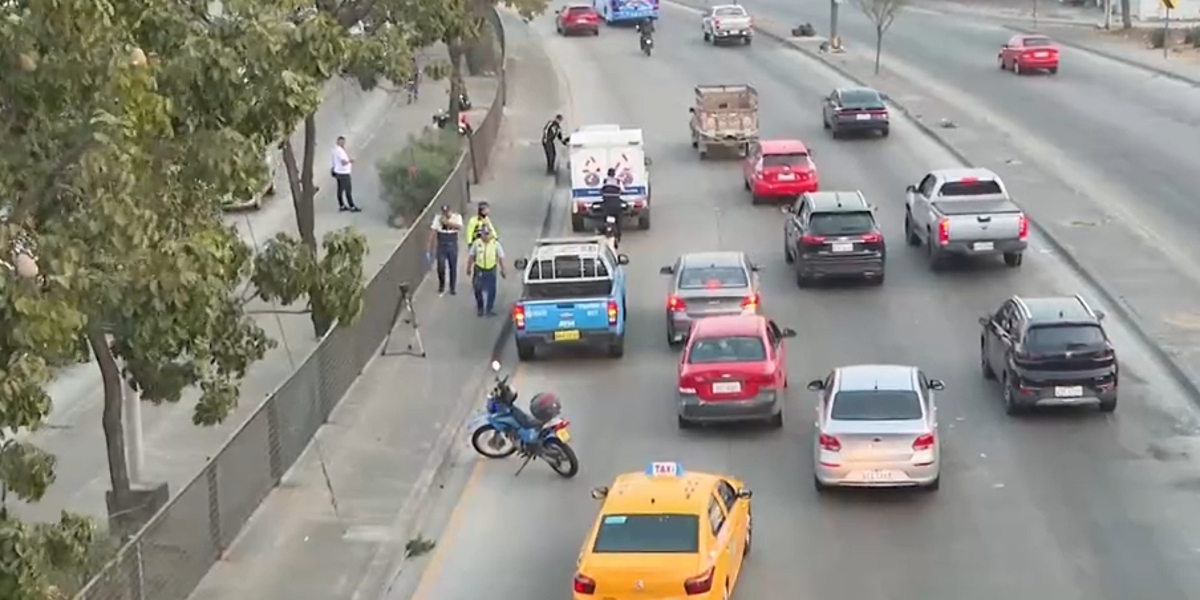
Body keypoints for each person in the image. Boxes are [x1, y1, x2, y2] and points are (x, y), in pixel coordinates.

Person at [466, 226, 507, 317]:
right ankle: (480, 308)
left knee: (491, 290)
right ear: (482, 235)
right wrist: (468, 268)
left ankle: (489, 309)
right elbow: (471, 256)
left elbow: (501, 257)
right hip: (479, 269)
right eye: (485, 234)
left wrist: (503, 269)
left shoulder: (495, 244)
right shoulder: (477, 243)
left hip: (491, 269)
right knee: (477, 288)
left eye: (488, 234)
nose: (486, 236)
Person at [427, 204, 463, 296]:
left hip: (452, 243)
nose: (445, 214)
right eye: (444, 212)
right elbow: (432, 232)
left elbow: (459, 227)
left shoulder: (456, 217)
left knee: (453, 267)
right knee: (441, 266)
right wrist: (428, 247)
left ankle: (452, 287)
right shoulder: (437, 218)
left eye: (447, 212)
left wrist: (447, 223)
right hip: (442, 244)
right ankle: (441, 284)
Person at [330, 136, 361, 212]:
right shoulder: (340, 151)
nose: (343, 143)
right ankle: (352, 206)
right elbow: (343, 162)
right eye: (342, 142)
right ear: (338, 142)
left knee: (340, 189)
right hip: (343, 172)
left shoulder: (334, 150)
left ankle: (342, 205)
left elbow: (333, 161)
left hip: (338, 172)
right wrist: (351, 161)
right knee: (348, 190)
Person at [599, 168, 624, 243]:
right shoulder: (618, 181)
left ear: (608, 174)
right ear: (614, 174)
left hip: (607, 206)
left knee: (604, 218)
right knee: (619, 221)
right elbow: (623, 190)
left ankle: (603, 232)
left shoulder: (605, 181)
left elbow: (600, 190)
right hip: (616, 206)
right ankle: (619, 235)